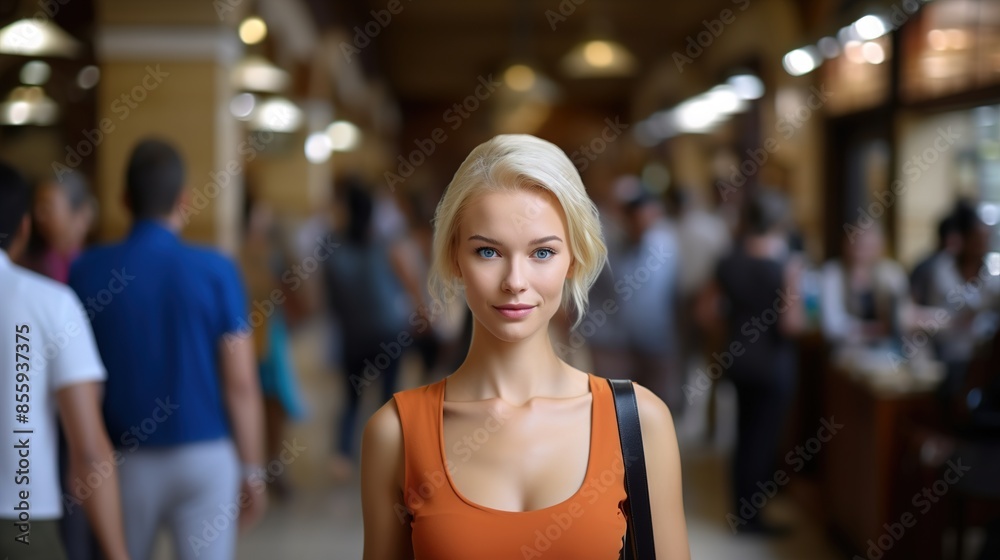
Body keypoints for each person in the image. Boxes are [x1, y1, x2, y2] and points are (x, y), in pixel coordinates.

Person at [360, 134, 690, 559]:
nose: (515, 281)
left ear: (574, 259)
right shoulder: (395, 434)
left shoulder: (641, 423)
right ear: (454, 258)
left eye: (542, 253)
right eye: (488, 251)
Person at [68, 138, 267, 560]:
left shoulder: (86, 271)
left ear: (123, 200)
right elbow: (242, 383)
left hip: (122, 461)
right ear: (185, 200)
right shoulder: (217, 270)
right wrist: (253, 470)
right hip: (206, 456)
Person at [0, 162, 129, 560]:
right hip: (21, 523)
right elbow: (89, 450)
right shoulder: (49, 303)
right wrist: (116, 552)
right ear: (24, 227)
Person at [703, 190, 805, 536]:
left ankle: (740, 508)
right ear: (779, 224)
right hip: (773, 363)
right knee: (763, 440)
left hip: (738, 358)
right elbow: (791, 324)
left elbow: (707, 311)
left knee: (744, 435)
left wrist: (732, 329)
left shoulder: (729, 260)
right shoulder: (785, 266)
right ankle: (751, 517)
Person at [322, 176, 417, 482]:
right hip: (389, 331)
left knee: (351, 397)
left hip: (353, 335)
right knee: (388, 396)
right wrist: (425, 315)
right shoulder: (385, 245)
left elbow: (329, 298)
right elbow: (410, 282)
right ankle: (387, 455)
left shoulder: (332, 250)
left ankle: (342, 457)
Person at [21, 170, 96, 283]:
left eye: (47, 208)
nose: (38, 215)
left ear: (79, 214)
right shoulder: (28, 262)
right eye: (35, 207)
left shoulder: (94, 265)